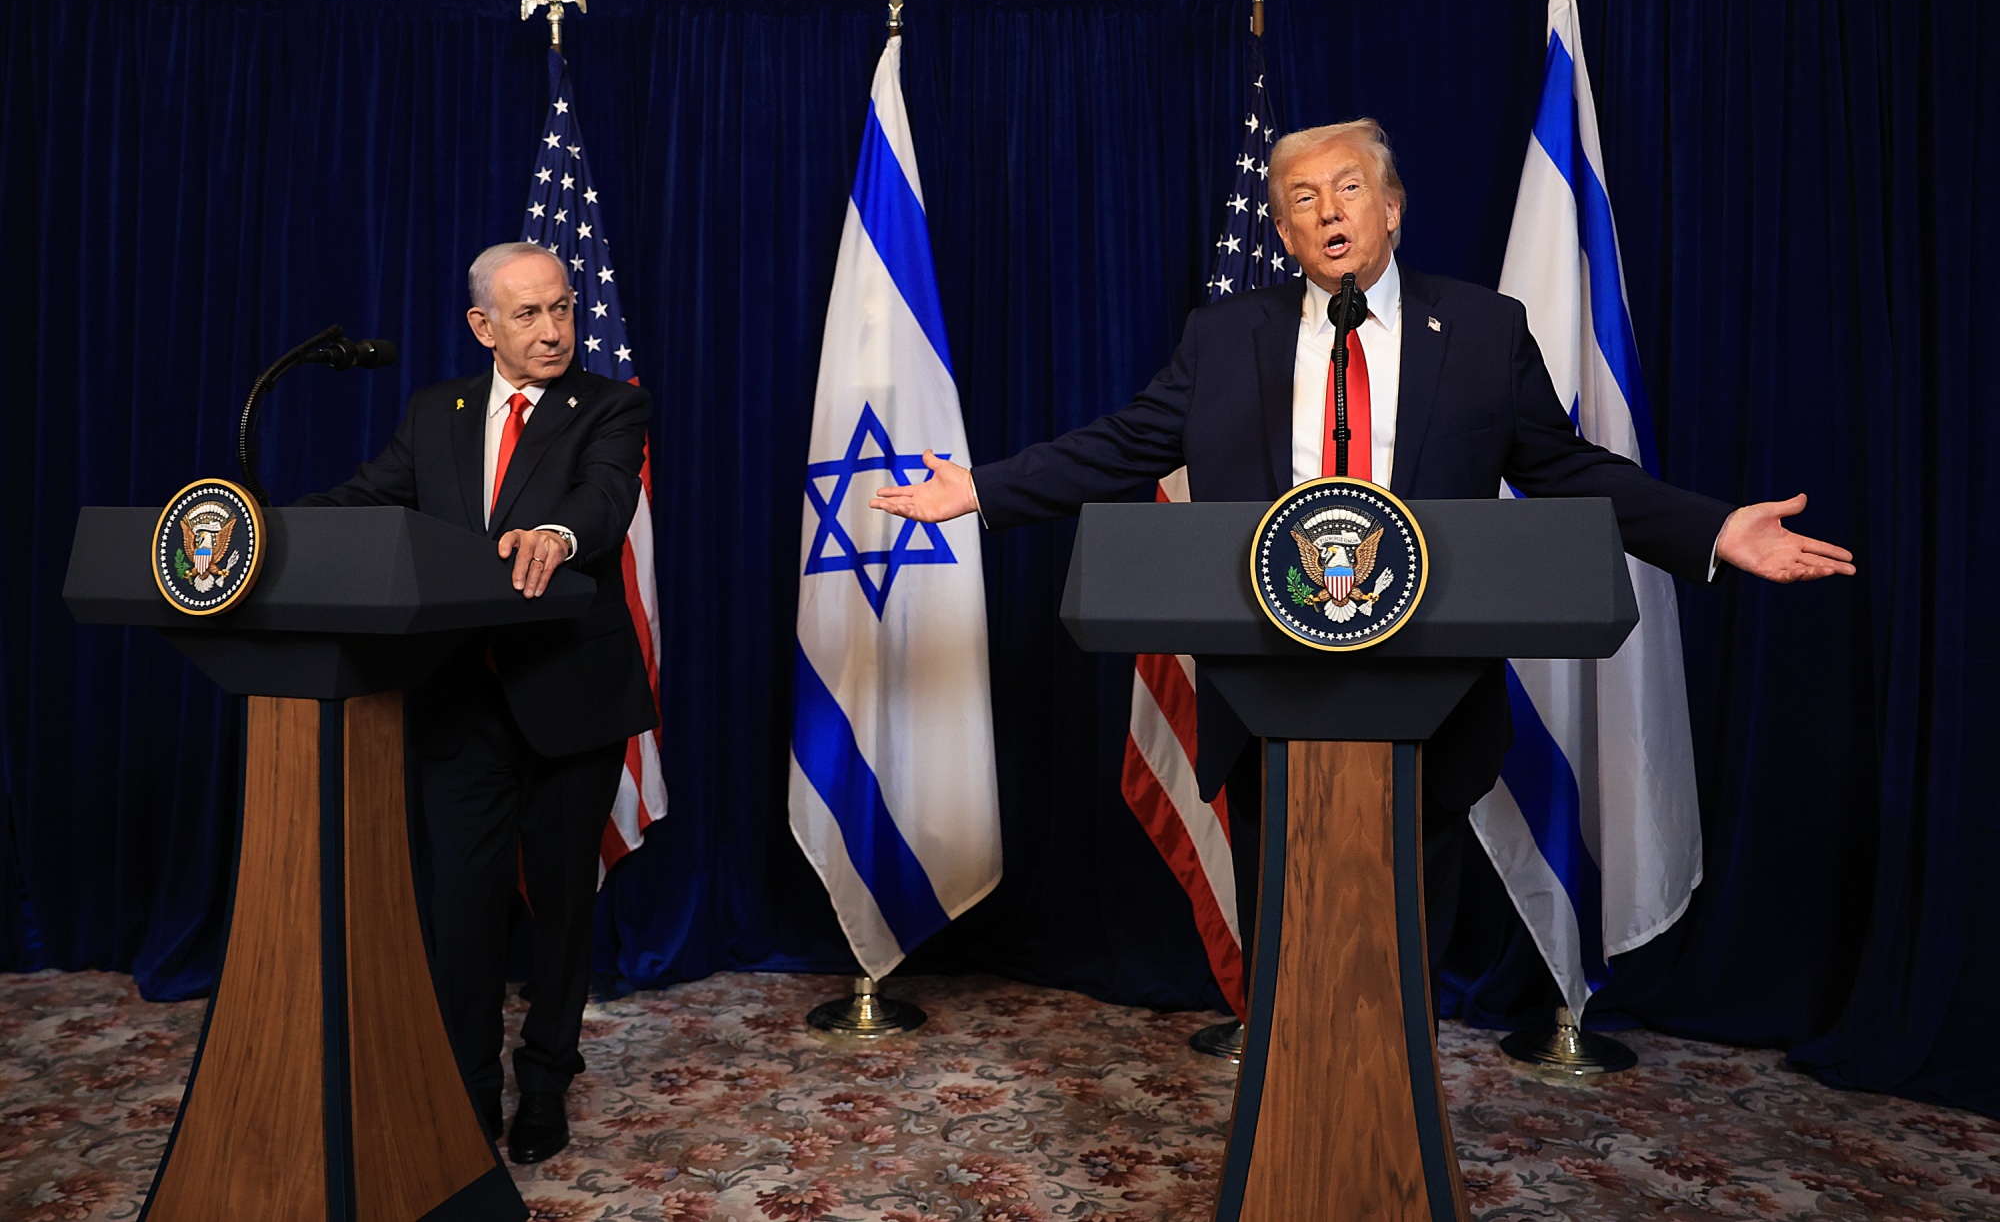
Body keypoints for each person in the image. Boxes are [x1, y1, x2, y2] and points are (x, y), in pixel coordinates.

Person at [871, 118, 1853, 972]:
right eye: (1301, 199)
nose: (1327, 211)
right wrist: (980, 489)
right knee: (1286, 954)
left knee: (1402, 958)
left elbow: (1566, 468)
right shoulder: (1224, 338)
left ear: (1391, 209)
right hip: (1266, 691)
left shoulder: (1482, 331)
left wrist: (1711, 527)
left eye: (1348, 188)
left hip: (1429, 696)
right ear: (1284, 232)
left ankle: (1395, 1121)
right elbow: (1123, 444)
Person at [298, 241, 656, 1163]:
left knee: (565, 905)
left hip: (569, 694)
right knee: (461, 907)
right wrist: (267, 526)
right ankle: (464, 1087)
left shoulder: (610, 405)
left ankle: (546, 1081)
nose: (553, 329)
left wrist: (556, 533)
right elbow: (371, 499)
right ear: (482, 325)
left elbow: (604, 498)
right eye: (528, 313)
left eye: (562, 308)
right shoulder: (436, 411)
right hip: (460, 699)